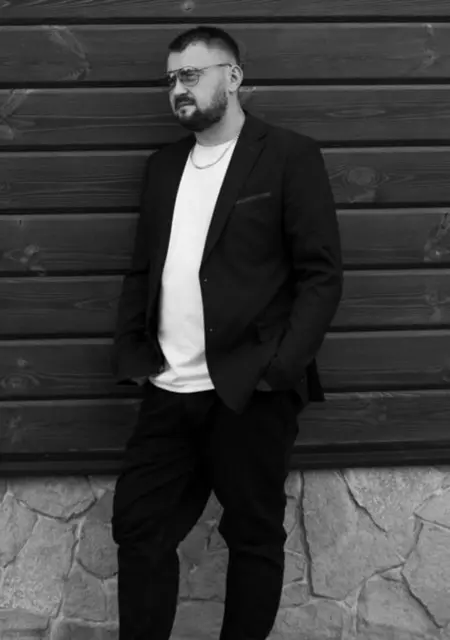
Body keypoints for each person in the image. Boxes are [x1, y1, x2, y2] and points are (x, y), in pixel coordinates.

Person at [111, 25, 343, 640]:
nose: (178, 89)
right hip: (169, 387)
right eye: (171, 79)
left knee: (254, 536)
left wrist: (281, 368)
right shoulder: (163, 167)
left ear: (233, 76)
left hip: (250, 390)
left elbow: (321, 274)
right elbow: (145, 269)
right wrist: (136, 355)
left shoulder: (288, 155)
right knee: (139, 527)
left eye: (191, 74)